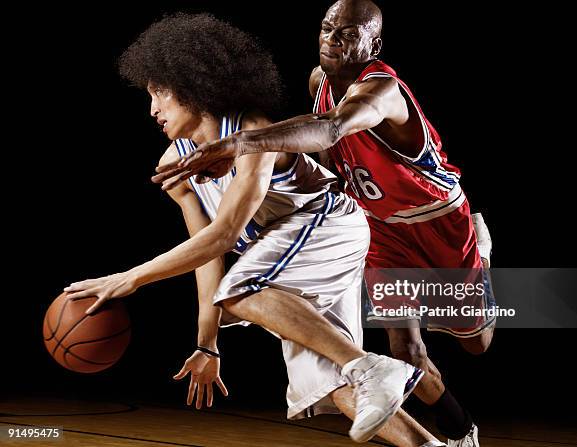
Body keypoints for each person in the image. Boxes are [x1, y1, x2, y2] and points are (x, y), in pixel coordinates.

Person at [64, 13, 446, 446]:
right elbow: (206, 253)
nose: (153, 109)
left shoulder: (253, 133)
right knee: (341, 389)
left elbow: (226, 235)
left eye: (160, 93)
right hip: (293, 254)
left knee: (241, 289)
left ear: (193, 83)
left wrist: (128, 278)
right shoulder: (177, 164)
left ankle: (372, 367)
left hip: (326, 226)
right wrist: (207, 345)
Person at [152, 1, 494, 445]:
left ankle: (481, 254)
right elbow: (329, 150)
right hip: (382, 229)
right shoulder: (319, 81)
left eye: (348, 33)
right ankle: (461, 432)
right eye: (327, 28)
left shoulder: (383, 90)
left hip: (437, 220)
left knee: (476, 343)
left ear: (374, 44)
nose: (332, 40)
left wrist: (239, 145)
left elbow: (332, 128)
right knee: (405, 351)